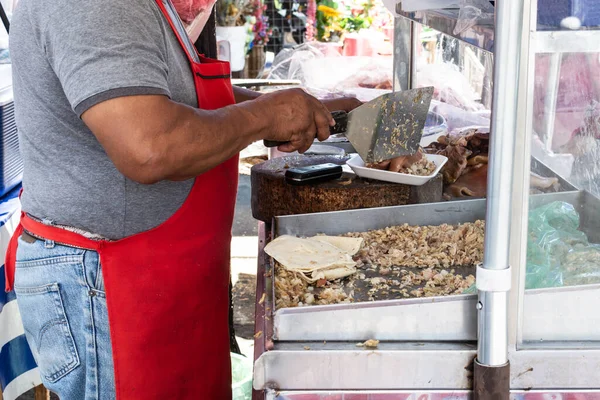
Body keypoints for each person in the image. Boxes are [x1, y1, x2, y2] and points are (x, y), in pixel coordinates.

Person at [5, 0, 361, 398]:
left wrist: (303, 110)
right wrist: (267, 115)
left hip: (158, 277)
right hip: (108, 283)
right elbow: (151, 146)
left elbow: (175, 96)